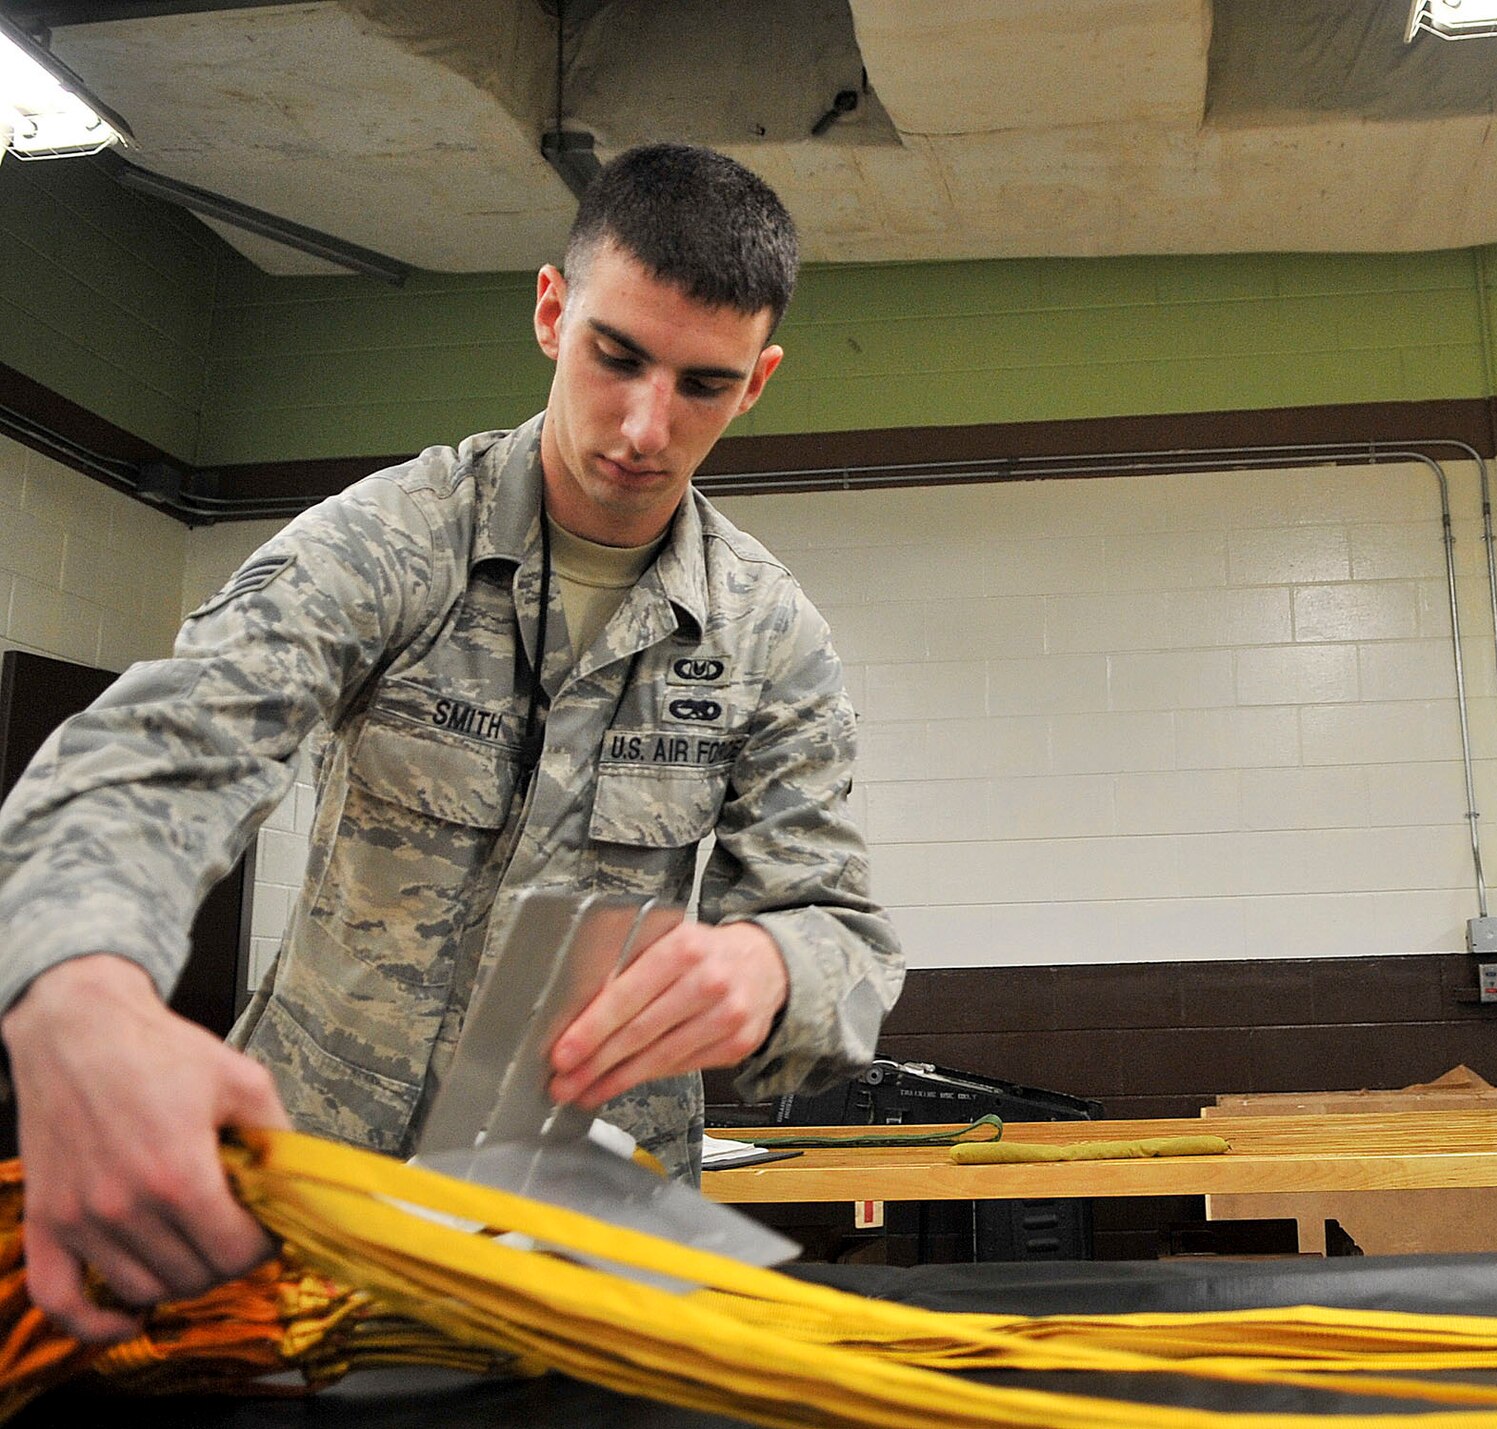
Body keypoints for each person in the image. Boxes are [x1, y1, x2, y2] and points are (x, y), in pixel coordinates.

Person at [0, 143, 901, 1342]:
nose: (643, 425)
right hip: (320, 1196)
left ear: (758, 381)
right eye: (615, 356)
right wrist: (78, 987)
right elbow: (161, 751)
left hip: (591, 1235)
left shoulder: (767, 633)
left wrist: (778, 969)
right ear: (549, 313)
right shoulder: (394, 542)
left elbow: (840, 929)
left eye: (702, 383)